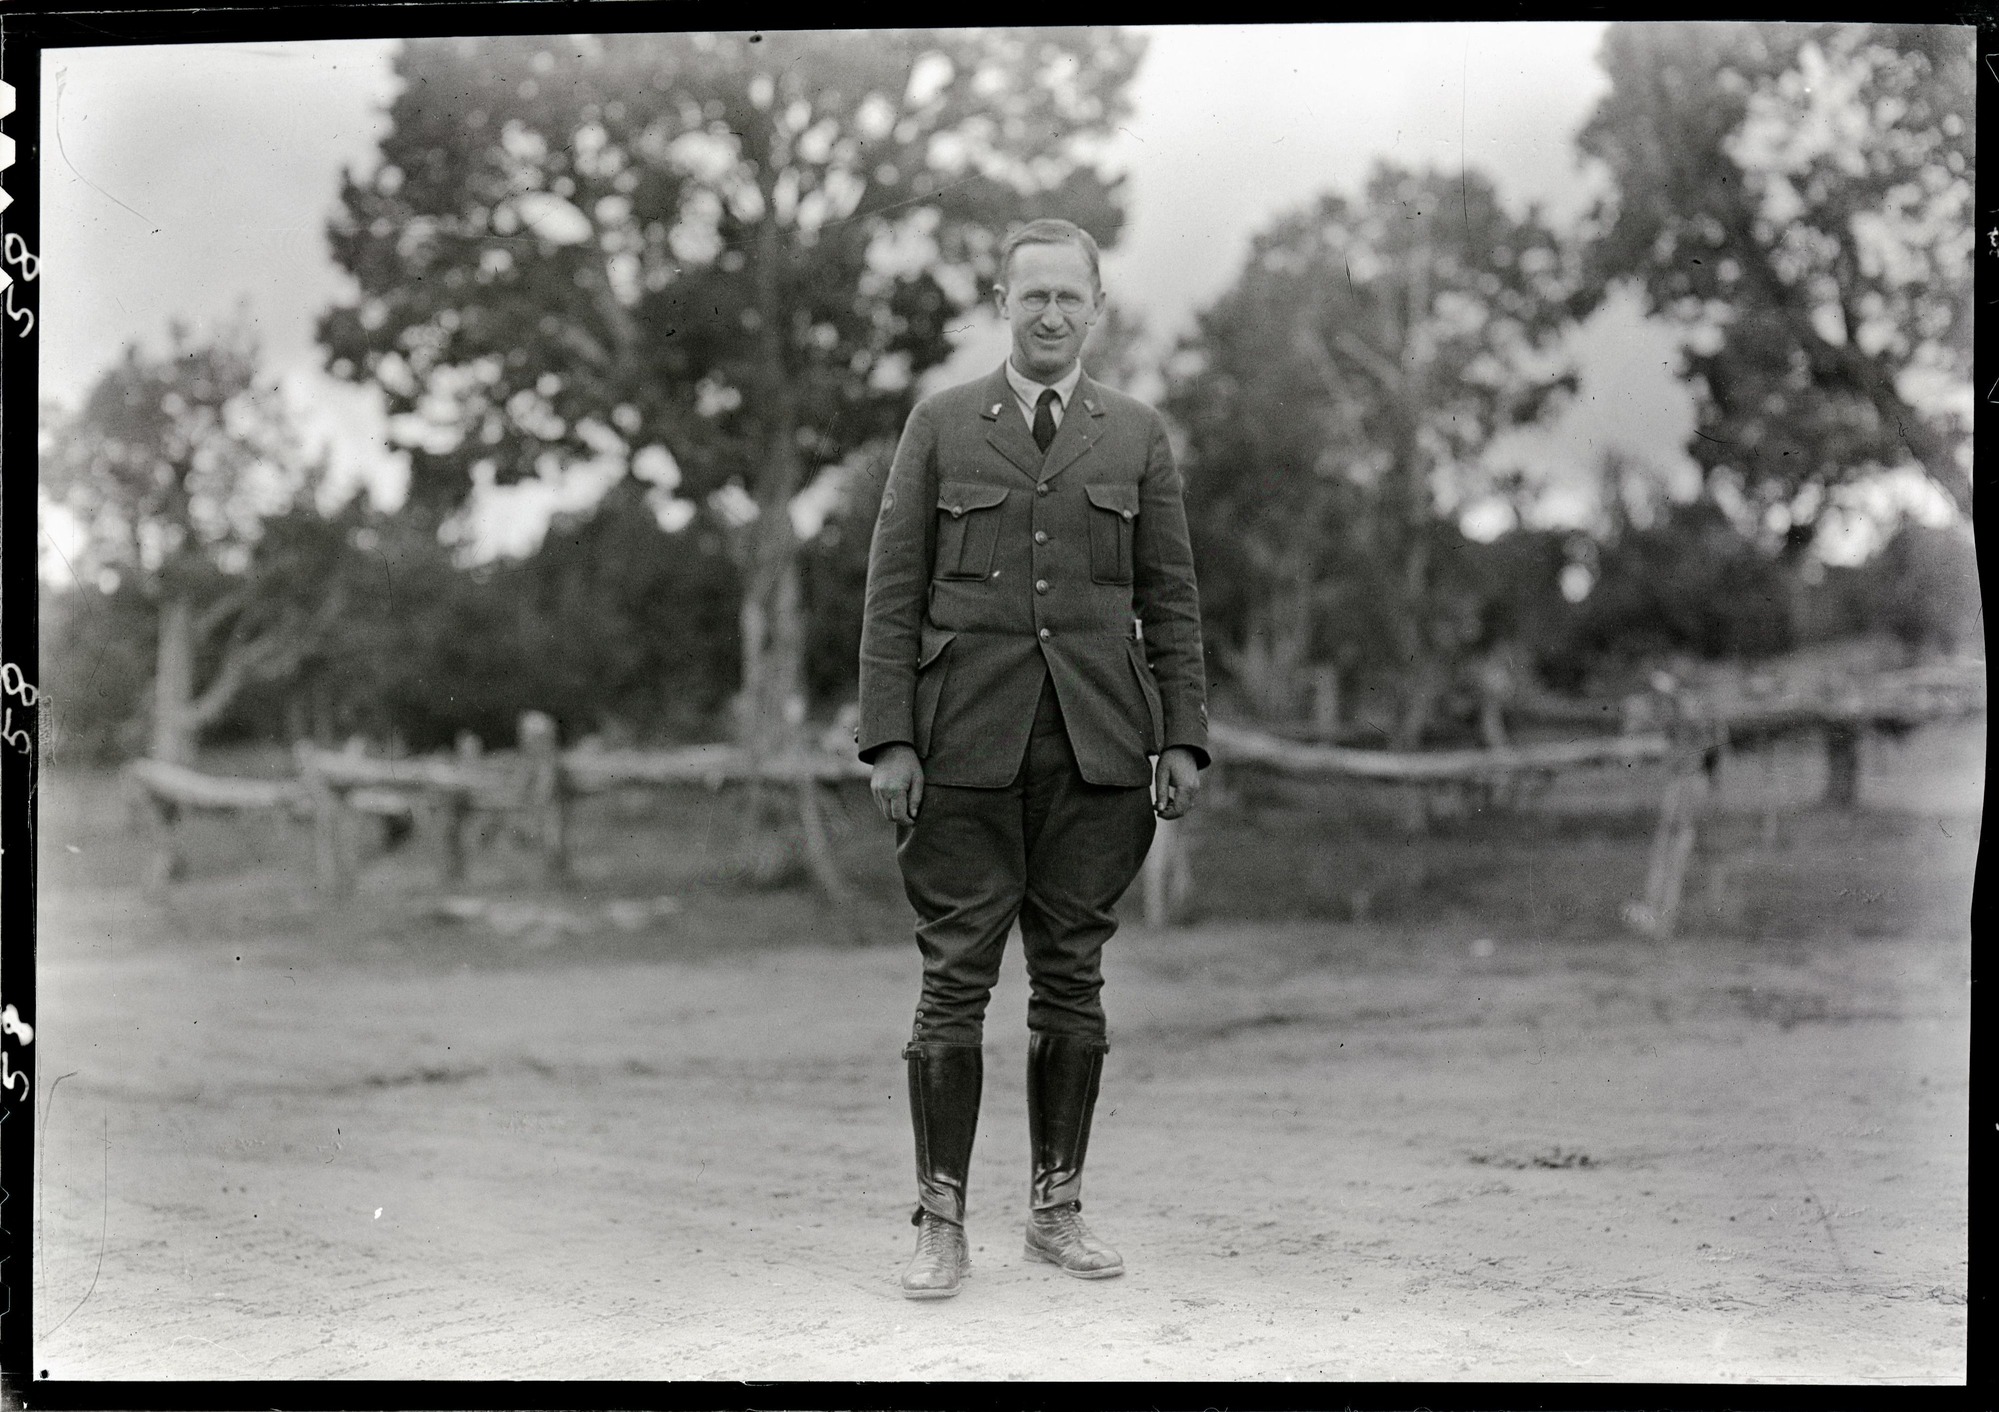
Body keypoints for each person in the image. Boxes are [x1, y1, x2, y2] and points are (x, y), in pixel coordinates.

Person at [857, 217, 1209, 1299]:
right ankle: (941, 1221)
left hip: (1098, 746)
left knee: (1072, 978)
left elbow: (1170, 597)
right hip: (961, 745)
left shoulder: (1135, 435)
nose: (1050, 313)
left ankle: (1056, 1210)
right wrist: (890, 737)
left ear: (1095, 308)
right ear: (1001, 303)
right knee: (953, 980)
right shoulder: (943, 424)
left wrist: (1183, 732)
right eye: (1031, 295)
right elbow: (892, 591)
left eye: (1069, 296)